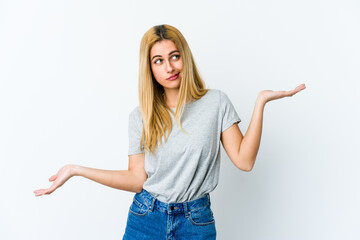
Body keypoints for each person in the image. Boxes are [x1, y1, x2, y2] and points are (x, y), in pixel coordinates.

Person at [34, 24, 306, 239]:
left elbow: (244, 161)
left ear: (184, 57)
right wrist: (76, 170)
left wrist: (260, 102)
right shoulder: (140, 116)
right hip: (146, 219)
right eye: (159, 61)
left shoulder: (215, 103)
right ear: (150, 68)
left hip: (195, 222)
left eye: (174, 56)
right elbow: (137, 179)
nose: (170, 67)